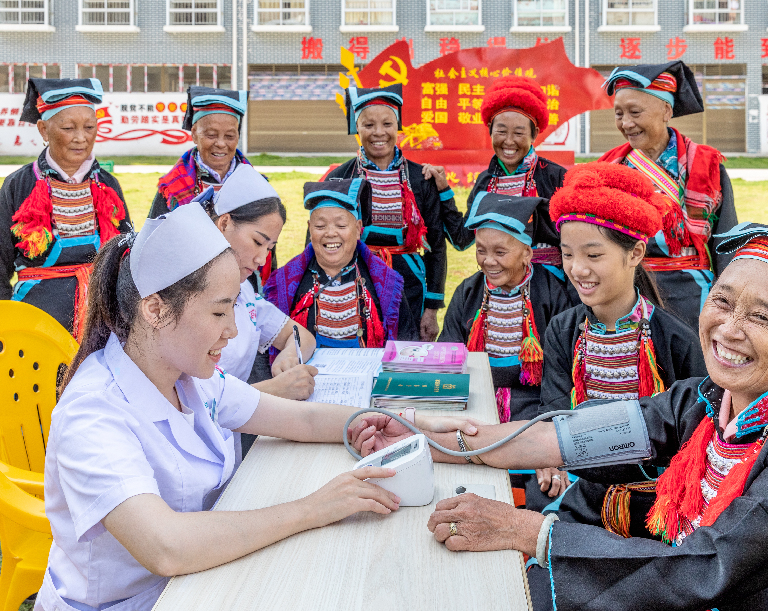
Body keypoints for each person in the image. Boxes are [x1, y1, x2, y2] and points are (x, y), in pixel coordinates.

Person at [354, 223, 768, 610]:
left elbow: (709, 566)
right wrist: (437, 439)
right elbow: (570, 439)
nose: (730, 329)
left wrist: (528, 531)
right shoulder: (706, 400)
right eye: (723, 301)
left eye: (762, 317)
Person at [37, 202, 472, 611]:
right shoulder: (93, 413)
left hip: (199, 582)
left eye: (234, 309)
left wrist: (401, 421)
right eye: (219, 313)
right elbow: (165, 546)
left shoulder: (188, 376)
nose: (232, 331)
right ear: (155, 309)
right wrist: (314, 508)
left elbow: (299, 418)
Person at [529, 161, 706, 518]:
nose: (577, 268)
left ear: (635, 253)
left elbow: (697, 431)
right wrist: (549, 458)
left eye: (593, 255)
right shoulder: (563, 330)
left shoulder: (676, 340)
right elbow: (554, 408)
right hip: (577, 479)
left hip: (654, 492)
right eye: (567, 254)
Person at [599, 61, 738, 332]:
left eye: (635, 112)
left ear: (666, 110)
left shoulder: (705, 165)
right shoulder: (609, 167)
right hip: (628, 291)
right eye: (618, 114)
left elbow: (726, 239)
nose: (626, 123)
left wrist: (728, 297)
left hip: (692, 294)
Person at [327, 84, 472, 341]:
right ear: (356, 127)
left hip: (409, 287)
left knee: (406, 354)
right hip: (355, 282)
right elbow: (321, 243)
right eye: (368, 125)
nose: (378, 132)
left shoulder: (420, 179)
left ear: (398, 126)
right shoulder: (339, 178)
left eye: (387, 124)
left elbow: (436, 246)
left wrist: (431, 309)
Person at [0, 77, 130, 338]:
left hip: (100, 321)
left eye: (89, 127)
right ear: (43, 130)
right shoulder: (19, 185)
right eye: (68, 128)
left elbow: (126, 256)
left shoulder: (108, 186)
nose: (81, 138)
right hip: (36, 324)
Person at [440, 193, 574, 424]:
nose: (489, 261)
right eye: (481, 250)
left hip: (534, 404)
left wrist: (547, 421)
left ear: (527, 254)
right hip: (474, 399)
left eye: (500, 252)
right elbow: (448, 350)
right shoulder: (468, 292)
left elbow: (560, 367)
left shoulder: (551, 292)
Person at [194, 163, 317, 400]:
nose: (262, 259)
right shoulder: (184, 291)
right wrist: (271, 390)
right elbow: (188, 400)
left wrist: (289, 356)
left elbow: (302, 336)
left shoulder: (242, 291)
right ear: (224, 224)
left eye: (269, 248)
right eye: (257, 242)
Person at [265, 178, 419, 348]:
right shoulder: (283, 284)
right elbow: (266, 344)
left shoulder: (386, 284)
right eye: (320, 226)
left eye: (341, 225)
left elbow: (406, 344)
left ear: (358, 228)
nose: (331, 233)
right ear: (310, 229)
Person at [468, 76, 569, 283]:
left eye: (519, 133)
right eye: (501, 131)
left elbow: (572, 239)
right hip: (497, 283)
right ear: (490, 129)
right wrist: (443, 191)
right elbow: (462, 239)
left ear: (535, 134)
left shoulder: (556, 177)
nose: (509, 141)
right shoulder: (485, 182)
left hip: (549, 283)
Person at [149, 86, 250, 218]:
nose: (220, 144)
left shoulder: (254, 183)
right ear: (194, 134)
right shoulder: (174, 186)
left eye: (229, 136)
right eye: (211, 135)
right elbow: (156, 230)